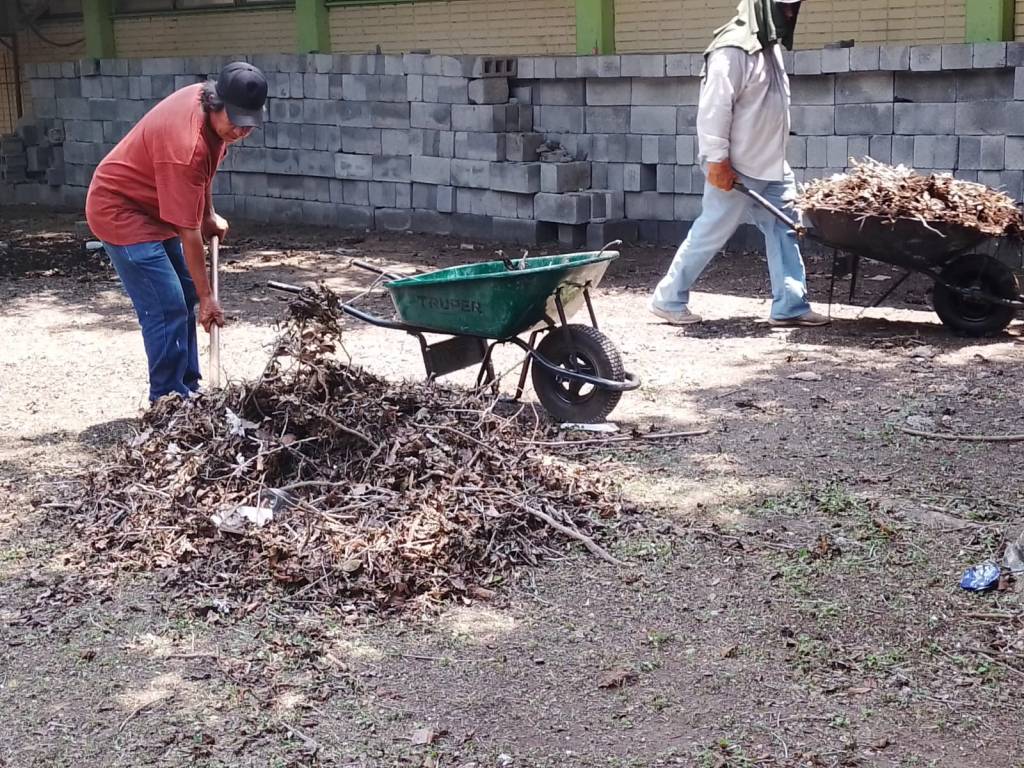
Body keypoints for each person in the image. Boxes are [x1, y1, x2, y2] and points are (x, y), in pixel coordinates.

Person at [85, 62, 268, 401]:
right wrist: (207, 298)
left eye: (249, 125)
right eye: (236, 122)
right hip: (119, 209)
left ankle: (188, 387)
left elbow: (203, 172)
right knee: (167, 303)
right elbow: (189, 236)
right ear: (217, 103)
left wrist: (209, 214)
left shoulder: (210, 112)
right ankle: (167, 398)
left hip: (156, 202)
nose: (241, 132)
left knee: (182, 293)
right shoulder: (186, 145)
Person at [649, 0, 829, 327]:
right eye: (784, 8)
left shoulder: (769, 48)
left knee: (786, 229)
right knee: (711, 232)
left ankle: (790, 305)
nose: (790, 14)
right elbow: (714, 109)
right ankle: (668, 298)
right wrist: (718, 161)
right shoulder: (731, 49)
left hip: (773, 164)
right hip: (737, 167)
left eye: (794, 8)